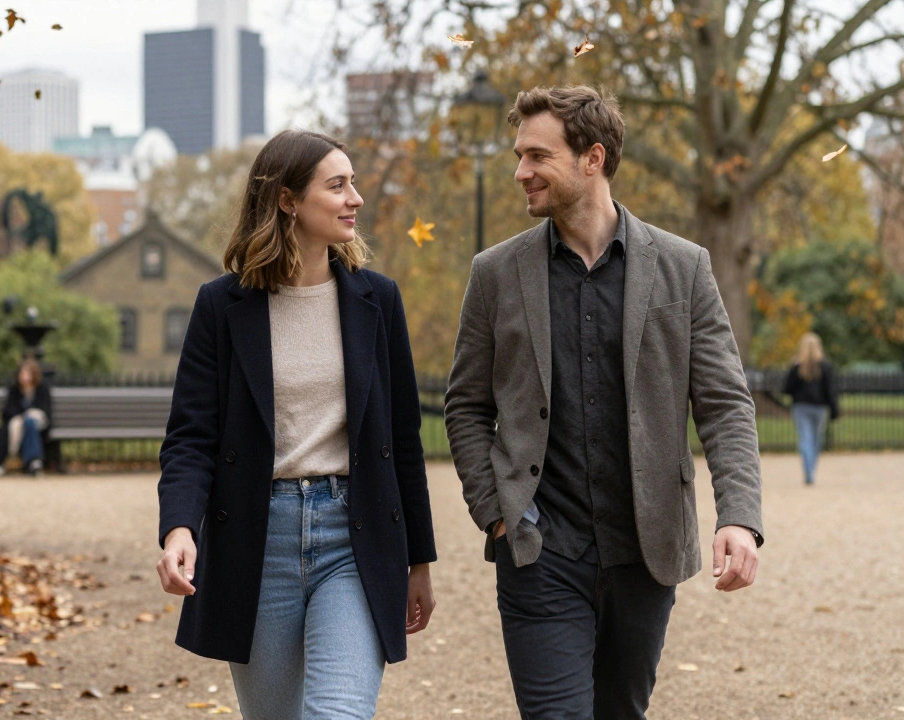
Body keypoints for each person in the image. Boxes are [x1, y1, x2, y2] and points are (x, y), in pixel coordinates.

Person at [445, 85, 763, 720]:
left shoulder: (685, 267)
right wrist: (499, 514)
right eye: (518, 155)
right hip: (538, 550)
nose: (520, 171)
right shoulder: (495, 273)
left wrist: (739, 515)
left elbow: (725, 403)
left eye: (538, 156)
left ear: (593, 158)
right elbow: (466, 406)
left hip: (646, 551)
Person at [156, 129, 438, 719]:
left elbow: (402, 441)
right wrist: (179, 528)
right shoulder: (221, 306)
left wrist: (418, 561)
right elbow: (191, 437)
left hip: (353, 536)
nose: (355, 198)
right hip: (257, 541)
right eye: (337, 186)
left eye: (353, 183)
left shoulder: (377, 301)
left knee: (339, 713)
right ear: (287, 200)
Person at [783, 332, 840, 485]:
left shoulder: (797, 366)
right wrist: (834, 409)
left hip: (801, 407)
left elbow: (787, 388)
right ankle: (811, 470)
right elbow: (830, 390)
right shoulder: (825, 366)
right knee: (816, 440)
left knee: (805, 439)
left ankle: (808, 471)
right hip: (820, 408)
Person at [0, 356, 51, 477]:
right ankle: (32, 461)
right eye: (23, 373)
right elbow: (8, 411)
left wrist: (29, 414)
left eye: (28, 374)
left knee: (29, 422)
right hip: (17, 423)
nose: (24, 377)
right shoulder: (14, 390)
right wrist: (23, 414)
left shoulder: (42, 390)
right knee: (14, 425)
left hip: (37, 424)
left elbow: (45, 412)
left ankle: (32, 461)